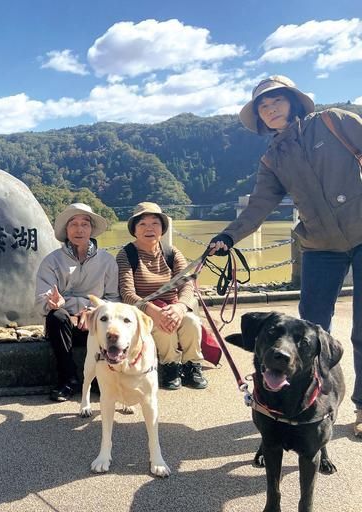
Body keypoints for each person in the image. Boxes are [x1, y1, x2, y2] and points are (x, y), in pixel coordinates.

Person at [208, 75, 362, 437]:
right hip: (320, 246)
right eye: (263, 105)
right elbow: (259, 205)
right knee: (311, 331)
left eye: (276, 100)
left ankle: (361, 406)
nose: (270, 108)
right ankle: (307, 399)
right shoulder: (273, 157)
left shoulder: (335, 121)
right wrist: (228, 236)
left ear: (293, 101)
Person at [35, 203, 120, 401]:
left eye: (85, 224)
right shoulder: (51, 261)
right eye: (73, 224)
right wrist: (56, 304)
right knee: (56, 316)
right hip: (65, 329)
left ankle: (102, 376)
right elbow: (41, 300)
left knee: (107, 319)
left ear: (91, 229)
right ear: (66, 229)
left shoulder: (107, 261)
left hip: (95, 324)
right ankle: (68, 379)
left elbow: (114, 299)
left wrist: (90, 312)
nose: (79, 229)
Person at [118, 202, 207, 390]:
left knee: (191, 322)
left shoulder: (171, 253)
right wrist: (153, 311)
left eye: (155, 223)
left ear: (162, 228)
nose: (149, 228)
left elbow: (187, 284)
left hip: (172, 307)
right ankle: (170, 366)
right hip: (144, 311)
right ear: (134, 229)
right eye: (142, 224)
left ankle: (192, 366)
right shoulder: (126, 255)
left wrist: (180, 307)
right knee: (162, 327)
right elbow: (127, 294)